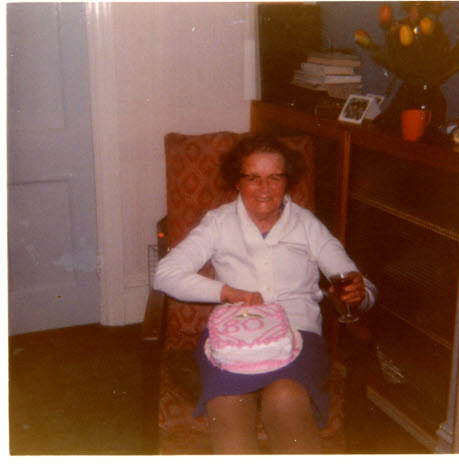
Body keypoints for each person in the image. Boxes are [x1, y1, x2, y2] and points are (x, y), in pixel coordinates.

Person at [154, 135, 377, 454]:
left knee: (285, 398)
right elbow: (165, 274)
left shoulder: (307, 225)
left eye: (275, 177)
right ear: (237, 182)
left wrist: (358, 295)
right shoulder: (218, 223)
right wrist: (228, 292)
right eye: (253, 178)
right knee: (228, 404)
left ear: (287, 181)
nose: (264, 188)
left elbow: (359, 284)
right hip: (234, 340)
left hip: (298, 334)